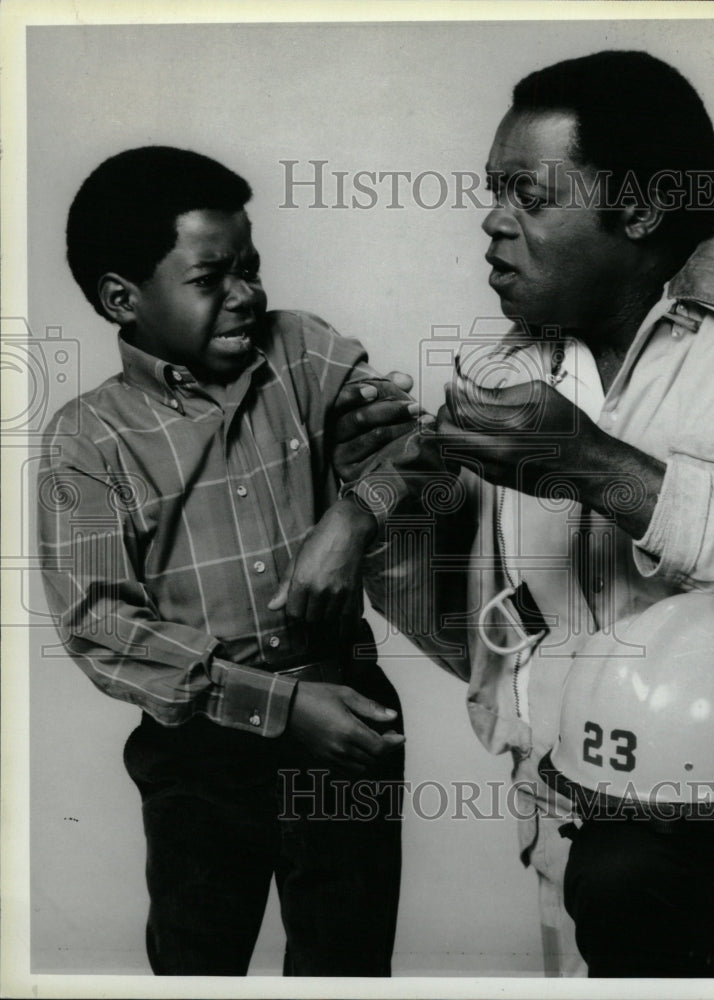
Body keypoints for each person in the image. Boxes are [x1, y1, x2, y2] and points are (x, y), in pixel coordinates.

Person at [331, 50, 714, 977]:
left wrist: (600, 469)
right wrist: (389, 511)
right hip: (565, 851)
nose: (491, 222)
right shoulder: (503, 377)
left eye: (527, 193)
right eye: (492, 191)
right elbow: (482, 642)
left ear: (639, 206)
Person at [37, 145, 407, 977]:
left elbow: (410, 446)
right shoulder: (86, 439)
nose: (247, 293)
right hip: (201, 745)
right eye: (211, 278)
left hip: (344, 713)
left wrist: (352, 516)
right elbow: (100, 625)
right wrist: (278, 704)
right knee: (199, 961)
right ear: (122, 299)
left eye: (251, 266)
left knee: (346, 960)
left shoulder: (305, 353)